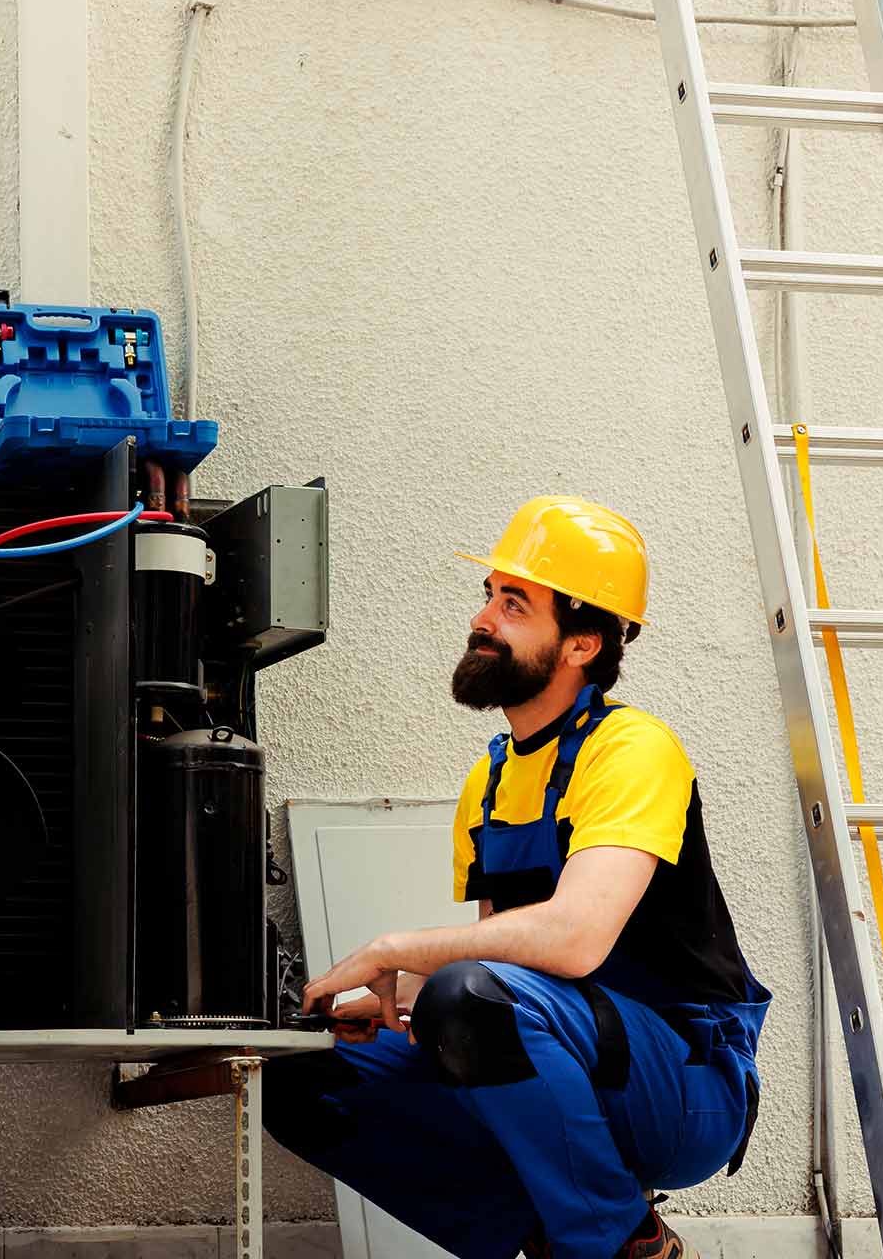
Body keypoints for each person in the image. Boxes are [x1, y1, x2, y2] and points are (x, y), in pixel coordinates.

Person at [266, 497, 770, 1259]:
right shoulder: (490, 781)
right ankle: (586, 1238)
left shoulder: (633, 750)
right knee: (306, 1078)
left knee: (465, 995)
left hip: (682, 1082)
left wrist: (397, 948)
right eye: (489, 596)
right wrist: (395, 1001)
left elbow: (570, 942)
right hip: (576, 1051)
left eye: (515, 605)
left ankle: (610, 1248)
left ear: (581, 644)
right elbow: (500, 966)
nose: (484, 621)